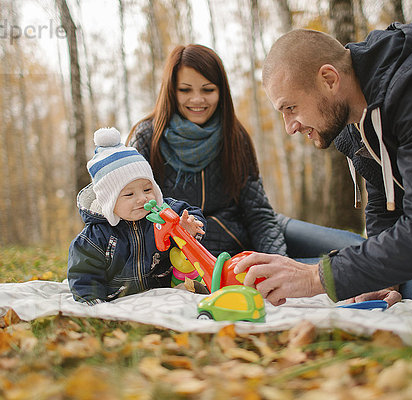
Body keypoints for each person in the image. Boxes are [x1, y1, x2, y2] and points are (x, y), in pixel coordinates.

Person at [234, 16, 412, 334]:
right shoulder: (357, 120)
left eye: (291, 108)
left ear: (329, 79)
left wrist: (315, 277)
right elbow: (384, 201)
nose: (291, 127)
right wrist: (381, 276)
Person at [127, 43, 363, 261]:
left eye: (208, 89)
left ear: (221, 91)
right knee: (332, 268)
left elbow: (259, 214)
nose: (197, 99)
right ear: (171, 91)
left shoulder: (234, 136)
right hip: (197, 254)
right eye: (185, 90)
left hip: (251, 233)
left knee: (355, 247)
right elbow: (133, 215)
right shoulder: (147, 138)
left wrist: (278, 261)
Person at [68, 127, 206, 305]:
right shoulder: (95, 237)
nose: (142, 198)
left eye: (147, 189)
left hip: (163, 291)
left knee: (194, 292)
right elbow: (84, 275)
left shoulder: (164, 211)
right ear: (109, 201)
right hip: (118, 298)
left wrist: (189, 227)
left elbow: (191, 213)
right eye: (129, 194)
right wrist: (92, 302)